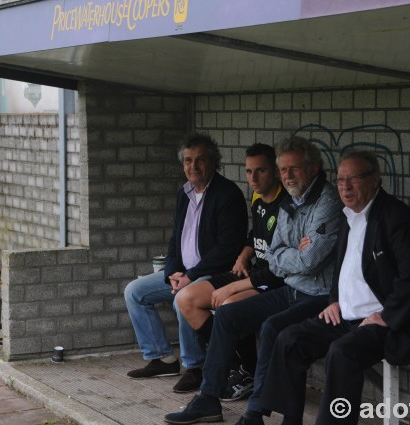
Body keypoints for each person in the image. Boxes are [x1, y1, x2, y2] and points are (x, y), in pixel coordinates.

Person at [164, 136, 342, 425]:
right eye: (284, 170)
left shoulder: (328, 201)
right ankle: (209, 398)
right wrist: (291, 253)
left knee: (271, 328)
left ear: (313, 167)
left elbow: (309, 262)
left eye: (293, 169)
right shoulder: (291, 200)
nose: (288, 175)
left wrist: (289, 255)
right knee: (226, 315)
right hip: (291, 287)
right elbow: (274, 255)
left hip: (318, 295)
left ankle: (254, 413)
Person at [259, 150, 410, 425]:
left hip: (385, 322)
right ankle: (290, 420)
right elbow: (342, 269)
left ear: (375, 179)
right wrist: (334, 300)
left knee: (341, 352)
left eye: (354, 179)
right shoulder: (348, 215)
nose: (345, 187)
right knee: (289, 339)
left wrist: (386, 316)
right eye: (340, 180)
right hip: (346, 315)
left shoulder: (397, 217)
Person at [123, 133, 248, 393]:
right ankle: (162, 359)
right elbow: (175, 239)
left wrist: (190, 276)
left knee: (184, 298)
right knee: (134, 291)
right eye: (188, 161)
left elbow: (227, 249)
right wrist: (172, 273)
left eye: (200, 160)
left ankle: (196, 367)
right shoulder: (185, 193)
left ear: (213, 161)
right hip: (186, 273)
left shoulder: (228, 194)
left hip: (215, 275)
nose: (194, 166)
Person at [176, 143, 288, 402]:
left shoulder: (287, 204)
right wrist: (244, 254)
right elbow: (255, 236)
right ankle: (235, 365)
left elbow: (280, 268)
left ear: (275, 171)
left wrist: (238, 284)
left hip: (273, 281)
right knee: (186, 299)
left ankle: (247, 369)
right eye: (249, 172)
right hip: (251, 271)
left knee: (228, 305)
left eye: (260, 171)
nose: (253, 178)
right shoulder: (257, 197)